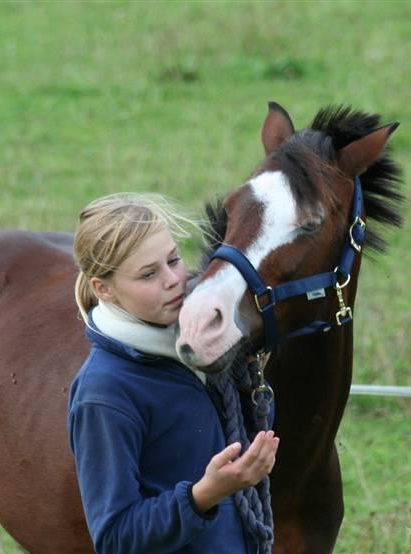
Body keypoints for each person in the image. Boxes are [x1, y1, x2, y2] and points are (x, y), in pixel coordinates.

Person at [68, 192, 279, 554]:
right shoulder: (104, 393)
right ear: (104, 289)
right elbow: (115, 538)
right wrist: (203, 495)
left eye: (173, 260)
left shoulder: (196, 343)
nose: (173, 280)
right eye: (149, 274)